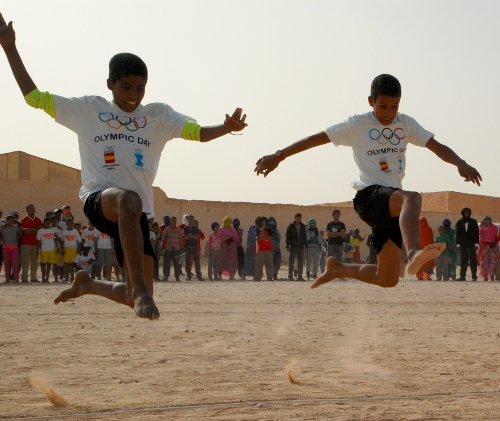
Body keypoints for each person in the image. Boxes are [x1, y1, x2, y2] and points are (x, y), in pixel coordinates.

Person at [1, 14, 247, 319]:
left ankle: (89, 284)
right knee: (127, 200)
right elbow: (33, 97)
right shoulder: (89, 109)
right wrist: (9, 48)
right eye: (126, 87)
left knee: (133, 294)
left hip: (138, 215)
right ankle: (142, 292)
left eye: (140, 89)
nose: (133, 96)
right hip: (100, 200)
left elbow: (198, 134)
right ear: (110, 84)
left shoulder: (159, 116)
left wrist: (226, 127)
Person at [255, 74, 481, 289]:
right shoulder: (357, 124)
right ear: (371, 101)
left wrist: (460, 163)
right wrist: (279, 155)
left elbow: (436, 146)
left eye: (395, 106)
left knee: (387, 278)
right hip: (368, 195)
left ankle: (338, 268)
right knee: (412, 198)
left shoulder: (406, 124)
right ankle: (414, 253)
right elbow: (315, 139)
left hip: (392, 205)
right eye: (383, 106)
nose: (389, 113)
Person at [455, 208, 479, 281]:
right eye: (465, 213)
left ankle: (474, 276)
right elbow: (457, 234)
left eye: (468, 212)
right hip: (463, 244)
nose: (466, 214)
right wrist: (458, 244)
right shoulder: (459, 222)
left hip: (471, 244)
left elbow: (476, 233)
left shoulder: (474, 222)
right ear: (463, 213)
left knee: (473, 260)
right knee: (463, 260)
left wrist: (476, 244)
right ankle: (462, 276)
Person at [20, 204, 42, 283]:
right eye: (30, 208)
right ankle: (24, 278)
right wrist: (35, 230)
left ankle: (33, 277)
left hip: (35, 243)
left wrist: (31, 229)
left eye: (33, 208)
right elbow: (26, 231)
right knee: (26, 261)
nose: (32, 210)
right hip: (26, 243)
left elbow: (40, 230)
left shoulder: (38, 220)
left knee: (34, 261)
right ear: (27, 210)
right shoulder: (25, 219)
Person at [285, 213, 308, 281]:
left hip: (301, 246)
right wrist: (287, 245)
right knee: (291, 262)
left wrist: (306, 245)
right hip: (293, 246)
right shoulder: (291, 226)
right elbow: (287, 236)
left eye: (300, 218)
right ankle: (290, 276)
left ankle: (300, 276)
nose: (299, 219)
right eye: (297, 218)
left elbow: (304, 237)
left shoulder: (303, 226)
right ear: (295, 218)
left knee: (300, 262)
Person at [0, 215, 22, 283]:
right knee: (7, 264)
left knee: (15, 264)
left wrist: (17, 239)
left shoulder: (16, 228)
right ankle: (7, 279)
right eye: (9, 220)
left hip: (14, 247)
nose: (10, 221)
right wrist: (2, 239)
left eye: (12, 220)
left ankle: (16, 279)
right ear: (6, 221)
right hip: (5, 247)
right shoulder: (3, 228)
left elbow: (20, 234)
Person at [36, 218, 59, 283]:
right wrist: (38, 250)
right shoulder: (40, 231)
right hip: (44, 249)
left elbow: (55, 240)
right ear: (44, 223)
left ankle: (47, 278)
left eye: (49, 223)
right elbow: (39, 242)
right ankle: (43, 278)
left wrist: (57, 248)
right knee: (43, 264)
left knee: (49, 264)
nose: (48, 224)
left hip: (52, 249)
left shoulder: (52, 230)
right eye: (46, 222)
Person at [162, 216, 182, 282]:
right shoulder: (166, 229)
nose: (174, 222)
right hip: (168, 248)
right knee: (167, 262)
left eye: (175, 221)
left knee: (176, 263)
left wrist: (181, 248)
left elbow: (180, 239)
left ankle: (177, 277)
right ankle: (166, 276)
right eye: (173, 221)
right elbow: (164, 239)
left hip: (176, 248)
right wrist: (164, 247)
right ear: (170, 221)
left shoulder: (179, 229)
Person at [184, 215, 204, 281]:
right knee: (188, 262)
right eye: (191, 219)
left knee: (197, 262)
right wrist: (193, 236)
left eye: (193, 219)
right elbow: (185, 237)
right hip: (187, 247)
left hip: (194, 247)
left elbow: (197, 237)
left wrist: (190, 236)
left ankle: (199, 276)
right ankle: (188, 276)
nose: (192, 221)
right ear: (188, 220)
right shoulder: (185, 228)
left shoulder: (196, 229)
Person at [478, 216, 499, 281]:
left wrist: (494, 242)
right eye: (485, 220)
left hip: (494, 246)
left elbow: (497, 236)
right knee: (485, 262)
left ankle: (492, 276)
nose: (487, 221)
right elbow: (480, 237)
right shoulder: (481, 228)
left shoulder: (494, 227)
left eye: (488, 220)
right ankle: (485, 277)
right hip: (484, 247)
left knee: (493, 262)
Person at [61, 219, 82, 283]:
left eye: (71, 223)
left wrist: (78, 250)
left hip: (73, 249)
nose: (70, 225)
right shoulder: (64, 231)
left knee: (72, 265)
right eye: (68, 223)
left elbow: (79, 241)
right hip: (66, 249)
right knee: (66, 264)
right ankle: (65, 278)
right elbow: (62, 241)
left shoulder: (75, 232)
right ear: (66, 224)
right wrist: (62, 249)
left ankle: (72, 278)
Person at [254, 216, 274, 282]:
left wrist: (264, 238)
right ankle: (258, 277)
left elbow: (272, 237)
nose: (263, 222)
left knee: (269, 264)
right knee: (259, 264)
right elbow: (259, 237)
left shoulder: (269, 229)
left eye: (265, 221)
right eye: (262, 221)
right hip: (260, 249)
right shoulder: (257, 229)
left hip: (268, 249)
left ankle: (270, 277)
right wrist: (262, 229)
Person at [267, 216, 282, 280]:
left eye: (273, 221)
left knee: (277, 261)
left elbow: (279, 238)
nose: (272, 223)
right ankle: (270, 275)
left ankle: (275, 275)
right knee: (270, 262)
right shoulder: (266, 230)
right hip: (269, 248)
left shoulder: (276, 230)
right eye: (270, 221)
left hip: (276, 248)